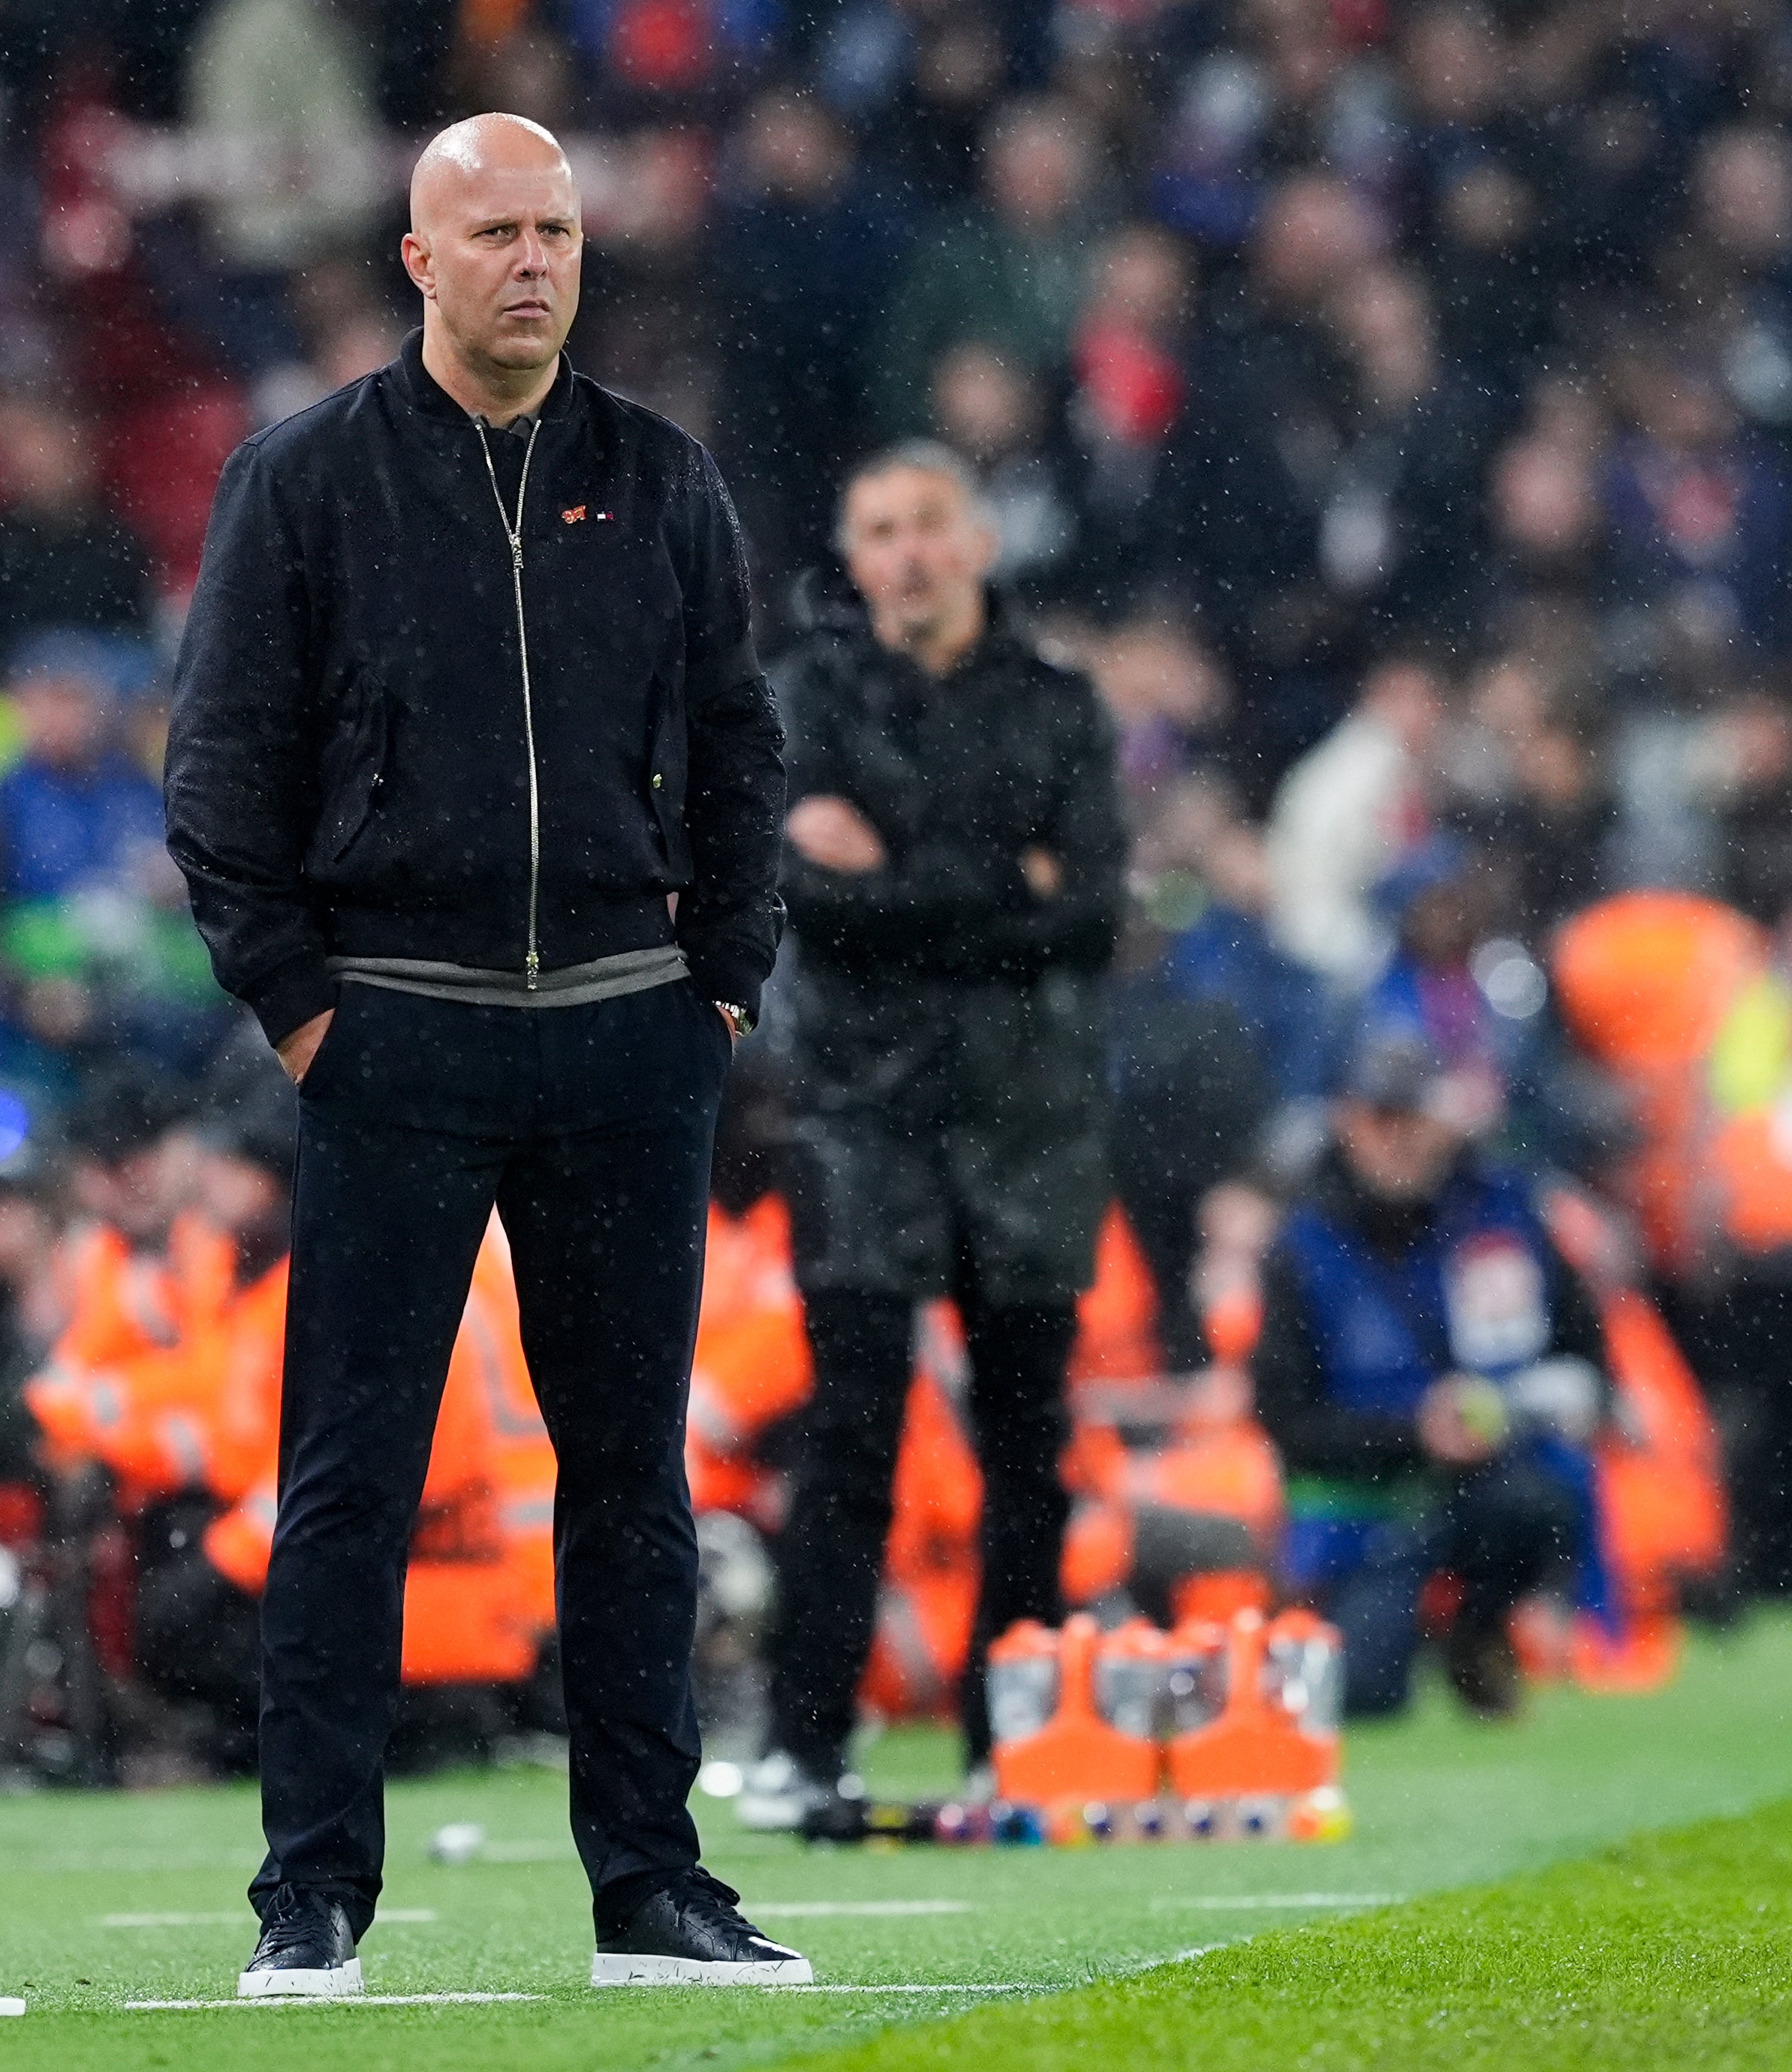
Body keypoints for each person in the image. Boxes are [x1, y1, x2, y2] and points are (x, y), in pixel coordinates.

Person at [165, 113, 795, 1996]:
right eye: (495, 230)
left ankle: (650, 1887)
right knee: (345, 1478)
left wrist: (724, 984)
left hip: (627, 1035)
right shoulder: (302, 482)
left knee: (628, 1485)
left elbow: (743, 751)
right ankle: (313, 1893)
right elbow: (219, 779)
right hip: (398, 1034)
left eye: (558, 230)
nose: (535, 260)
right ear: (418, 262)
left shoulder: (663, 479)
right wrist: (302, 1007)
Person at [744, 441, 1126, 1827]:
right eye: (879, 530)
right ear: (854, 559)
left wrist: (899, 871)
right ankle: (804, 1744)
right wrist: (993, 881)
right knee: (849, 1437)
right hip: (860, 1115)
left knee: (1029, 1448)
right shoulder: (800, 699)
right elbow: (802, 897)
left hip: (1025, 1124)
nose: (904, 553)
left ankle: (1011, 1742)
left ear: (975, 543)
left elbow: (1089, 910)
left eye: (926, 525)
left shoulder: (1059, 704)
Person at [1251, 1031, 1595, 1718]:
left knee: (1536, 1506)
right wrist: (1415, 1435)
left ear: (1445, 1118)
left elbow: (1581, 1354)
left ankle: (1478, 1626)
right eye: (1381, 1118)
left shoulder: (1505, 1213)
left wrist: (1520, 1407)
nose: (1397, 1138)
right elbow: (1285, 1422)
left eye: (1412, 1117)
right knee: (1362, 1694)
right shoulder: (1301, 1244)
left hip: (1485, 1485)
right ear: (1347, 1120)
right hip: (1364, 1505)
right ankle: (1395, 1634)